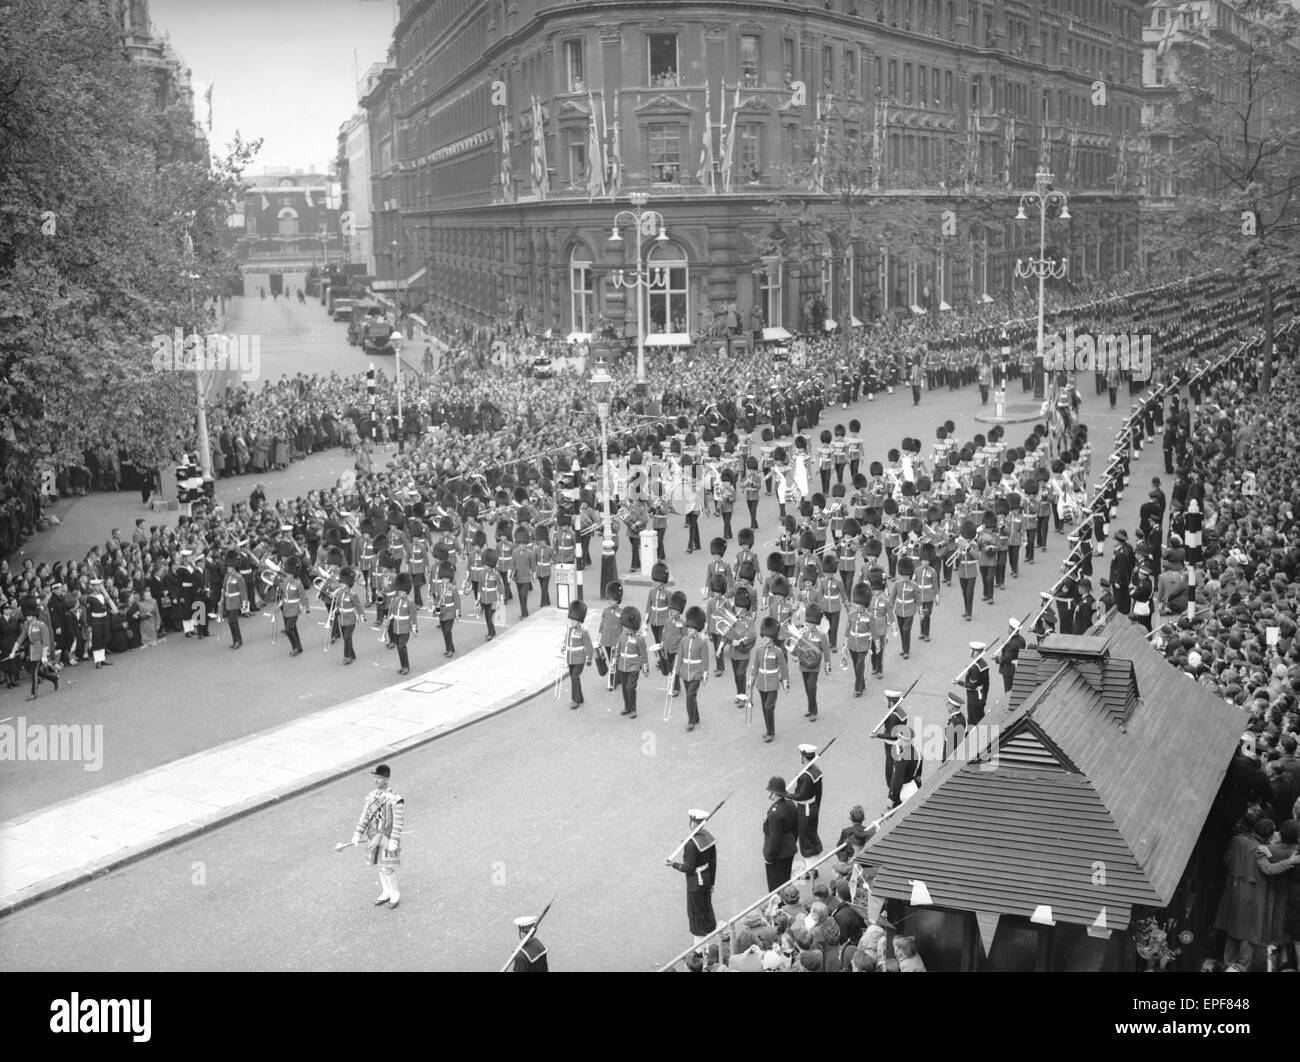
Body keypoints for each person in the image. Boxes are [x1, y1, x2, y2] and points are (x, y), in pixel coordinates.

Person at [349, 763, 404, 909]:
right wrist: (357, 833)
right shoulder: (372, 796)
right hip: (374, 836)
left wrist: (394, 839)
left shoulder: (395, 799)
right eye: (375, 777)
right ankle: (386, 891)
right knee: (379, 866)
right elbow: (365, 816)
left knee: (387, 867)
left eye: (379, 778)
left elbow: (398, 823)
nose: (376, 780)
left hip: (387, 837)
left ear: (386, 779)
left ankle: (395, 892)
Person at [667, 808, 718, 948]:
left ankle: (700, 950)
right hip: (706, 878)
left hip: (695, 883)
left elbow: (689, 868)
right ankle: (708, 945)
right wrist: (712, 882)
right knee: (706, 911)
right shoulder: (708, 837)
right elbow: (713, 862)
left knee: (696, 916)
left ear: (693, 823)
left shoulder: (691, 844)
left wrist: (674, 864)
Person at [748, 615, 789, 743]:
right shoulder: (759, 651)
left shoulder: (778, 651)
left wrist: (785, 683)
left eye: (767, 637)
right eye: (764, 636)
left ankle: (771, 732)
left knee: (768, 707)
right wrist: (751, 683)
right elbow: (755, 669)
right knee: (764, 707)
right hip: (761, 683)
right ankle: (768, 730)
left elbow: (784, 668)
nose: (764, 639)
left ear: (772, 637)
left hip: (772, 683)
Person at [788, 744, 824, 876]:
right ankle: (815, 867)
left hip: (805, 809)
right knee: (812, 835)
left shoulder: (806, 775)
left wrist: (787, 795)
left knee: (805, 839)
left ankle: (810, 870)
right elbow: (819, 792)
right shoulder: (816, 771)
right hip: (813, 806)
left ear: (804, 757)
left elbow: (801, 796)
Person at [763, 775, 799, 892]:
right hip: (789, 849)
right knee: (786, 882)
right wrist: (792, 842)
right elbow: (796, 828)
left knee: (776, 889)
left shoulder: (775, 813)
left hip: (778, 855)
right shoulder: (790, 805)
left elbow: (774, 838)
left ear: (774, 793)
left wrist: (769, 857)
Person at [614, 604, 649, 718]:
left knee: (630, 687)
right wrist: (615, 661)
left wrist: (645, 667)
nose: (625, 629)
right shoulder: (621, 637)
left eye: (627, 627)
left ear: (633, 627)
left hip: (634, 667)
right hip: (622, 666)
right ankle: (627, 707)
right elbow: (618, 650)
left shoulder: (639, 639)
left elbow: (644, 654)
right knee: (624, 688)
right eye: (624, 626)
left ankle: (633, 709)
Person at [679, 605, 709, 732]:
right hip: (685, 672)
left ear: (697, 629)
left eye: (692, 628)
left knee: (690, 696)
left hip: (696, 673)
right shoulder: (683, 640)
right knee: (691, 695)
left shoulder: (702, 642)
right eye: (689, 627)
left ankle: (691, 721)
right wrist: (675, 670)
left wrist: (705, 674)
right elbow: (680, 657)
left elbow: (705, 659)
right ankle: (696, 716)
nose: (690, 630)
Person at [564, 599, 594, 708]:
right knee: (574, 677)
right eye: (571, 619)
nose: (572, 621)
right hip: (571, 658)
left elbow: (589, 646)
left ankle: (575, 700)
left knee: (574, 677)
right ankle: (580, 698)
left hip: (579, 659)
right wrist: (563, 646)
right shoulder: (569, 629)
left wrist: (590, 659)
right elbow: (566, 640)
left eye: (574, 619)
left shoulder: (583, 632)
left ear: (579, 620)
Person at [336, 568, 366, 665]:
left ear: (348, 584)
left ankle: (347, 656)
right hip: (342, 619)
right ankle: (352, 654)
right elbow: (338, 604)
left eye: (343, 583)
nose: (341, 585)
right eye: (341, 583)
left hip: (350, 619)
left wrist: (362, 617)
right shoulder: (339, 593)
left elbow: (359, 606)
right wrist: (335, 611)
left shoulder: (353, 595)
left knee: (347, 637)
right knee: (346, 638)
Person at [389, 572, 416, 675]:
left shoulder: (410, 602)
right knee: (399, 647)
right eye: (399, 591)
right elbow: (393, 612)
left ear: (406, 591)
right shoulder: (396, 600)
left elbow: (413, 616)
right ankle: (403, 665)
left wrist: (414, 628)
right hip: (396, 628)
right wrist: (389, 618)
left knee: (401, 646)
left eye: (401, 591)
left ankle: (406, 667)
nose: (399, 593)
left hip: (405, 628)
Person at [221, 551, 247, 649]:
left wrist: (244, 604)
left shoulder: (238, 577)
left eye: (230, 567)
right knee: (233, 621)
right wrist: (222, 599)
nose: (228, 568)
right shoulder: (226, 576)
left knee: (231, 621)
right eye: (228, 566)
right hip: (228, 601)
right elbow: (224, 588)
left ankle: (237, 641)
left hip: (236, 601)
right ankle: (237, 640)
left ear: (234, 567)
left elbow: (243, 591)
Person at [961, 641, 990, 726]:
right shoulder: (983, 663)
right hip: (981, 696)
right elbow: (987, 684)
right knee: (979, 719)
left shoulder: (975, 668)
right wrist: (984, 697)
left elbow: (972, 686)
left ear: (976, 652)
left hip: (974, 698)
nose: (969, 651)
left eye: (971, 650)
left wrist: (959, 682)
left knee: (974, 721)